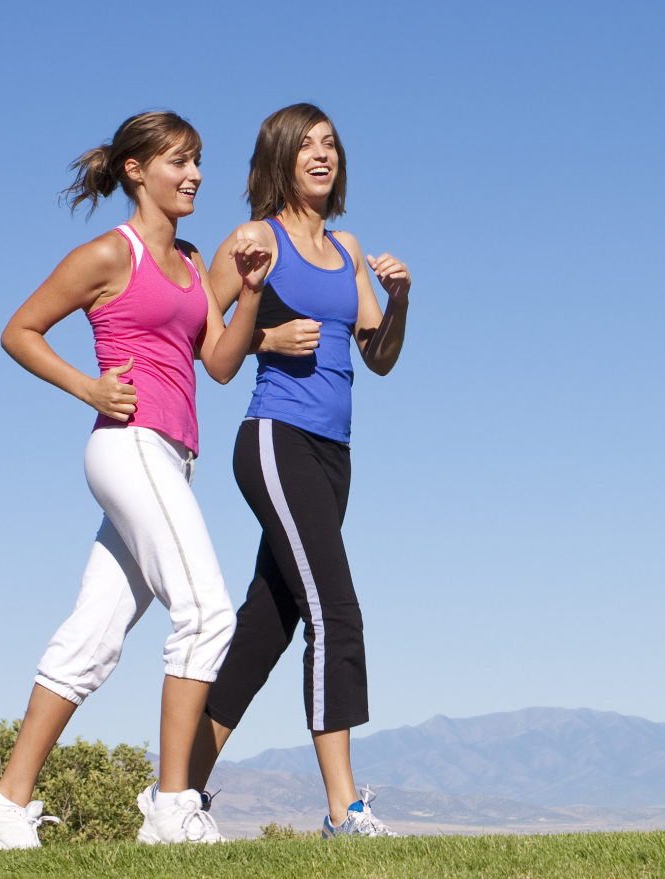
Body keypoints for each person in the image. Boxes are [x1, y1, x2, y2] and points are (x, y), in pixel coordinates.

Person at [0, 110, 270, 849]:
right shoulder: (108, 253)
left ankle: (6, 799)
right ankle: (170, 803)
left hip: (173, 459)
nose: (194, 174)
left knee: (92, 637)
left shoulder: (194, 262)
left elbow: (218, 364)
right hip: (128, 445)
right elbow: (19, 330)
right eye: (178, 162)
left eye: (197, 162)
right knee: (206, 611)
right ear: (136, 170)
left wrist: (250, 291)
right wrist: (89, 388)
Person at [187, 103, 411, 838]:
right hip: (275, 439)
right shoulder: (257, 240)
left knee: (266, 625)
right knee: (335, 610)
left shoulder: (347, 249)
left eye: (331, 144)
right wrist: (267, 337)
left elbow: (378, 358)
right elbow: (205, 344)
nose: (323, 155)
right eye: (307, 145)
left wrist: (400, 297)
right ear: (280, 158)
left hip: (333, 453)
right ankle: (344, 810)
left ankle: (177, 792)